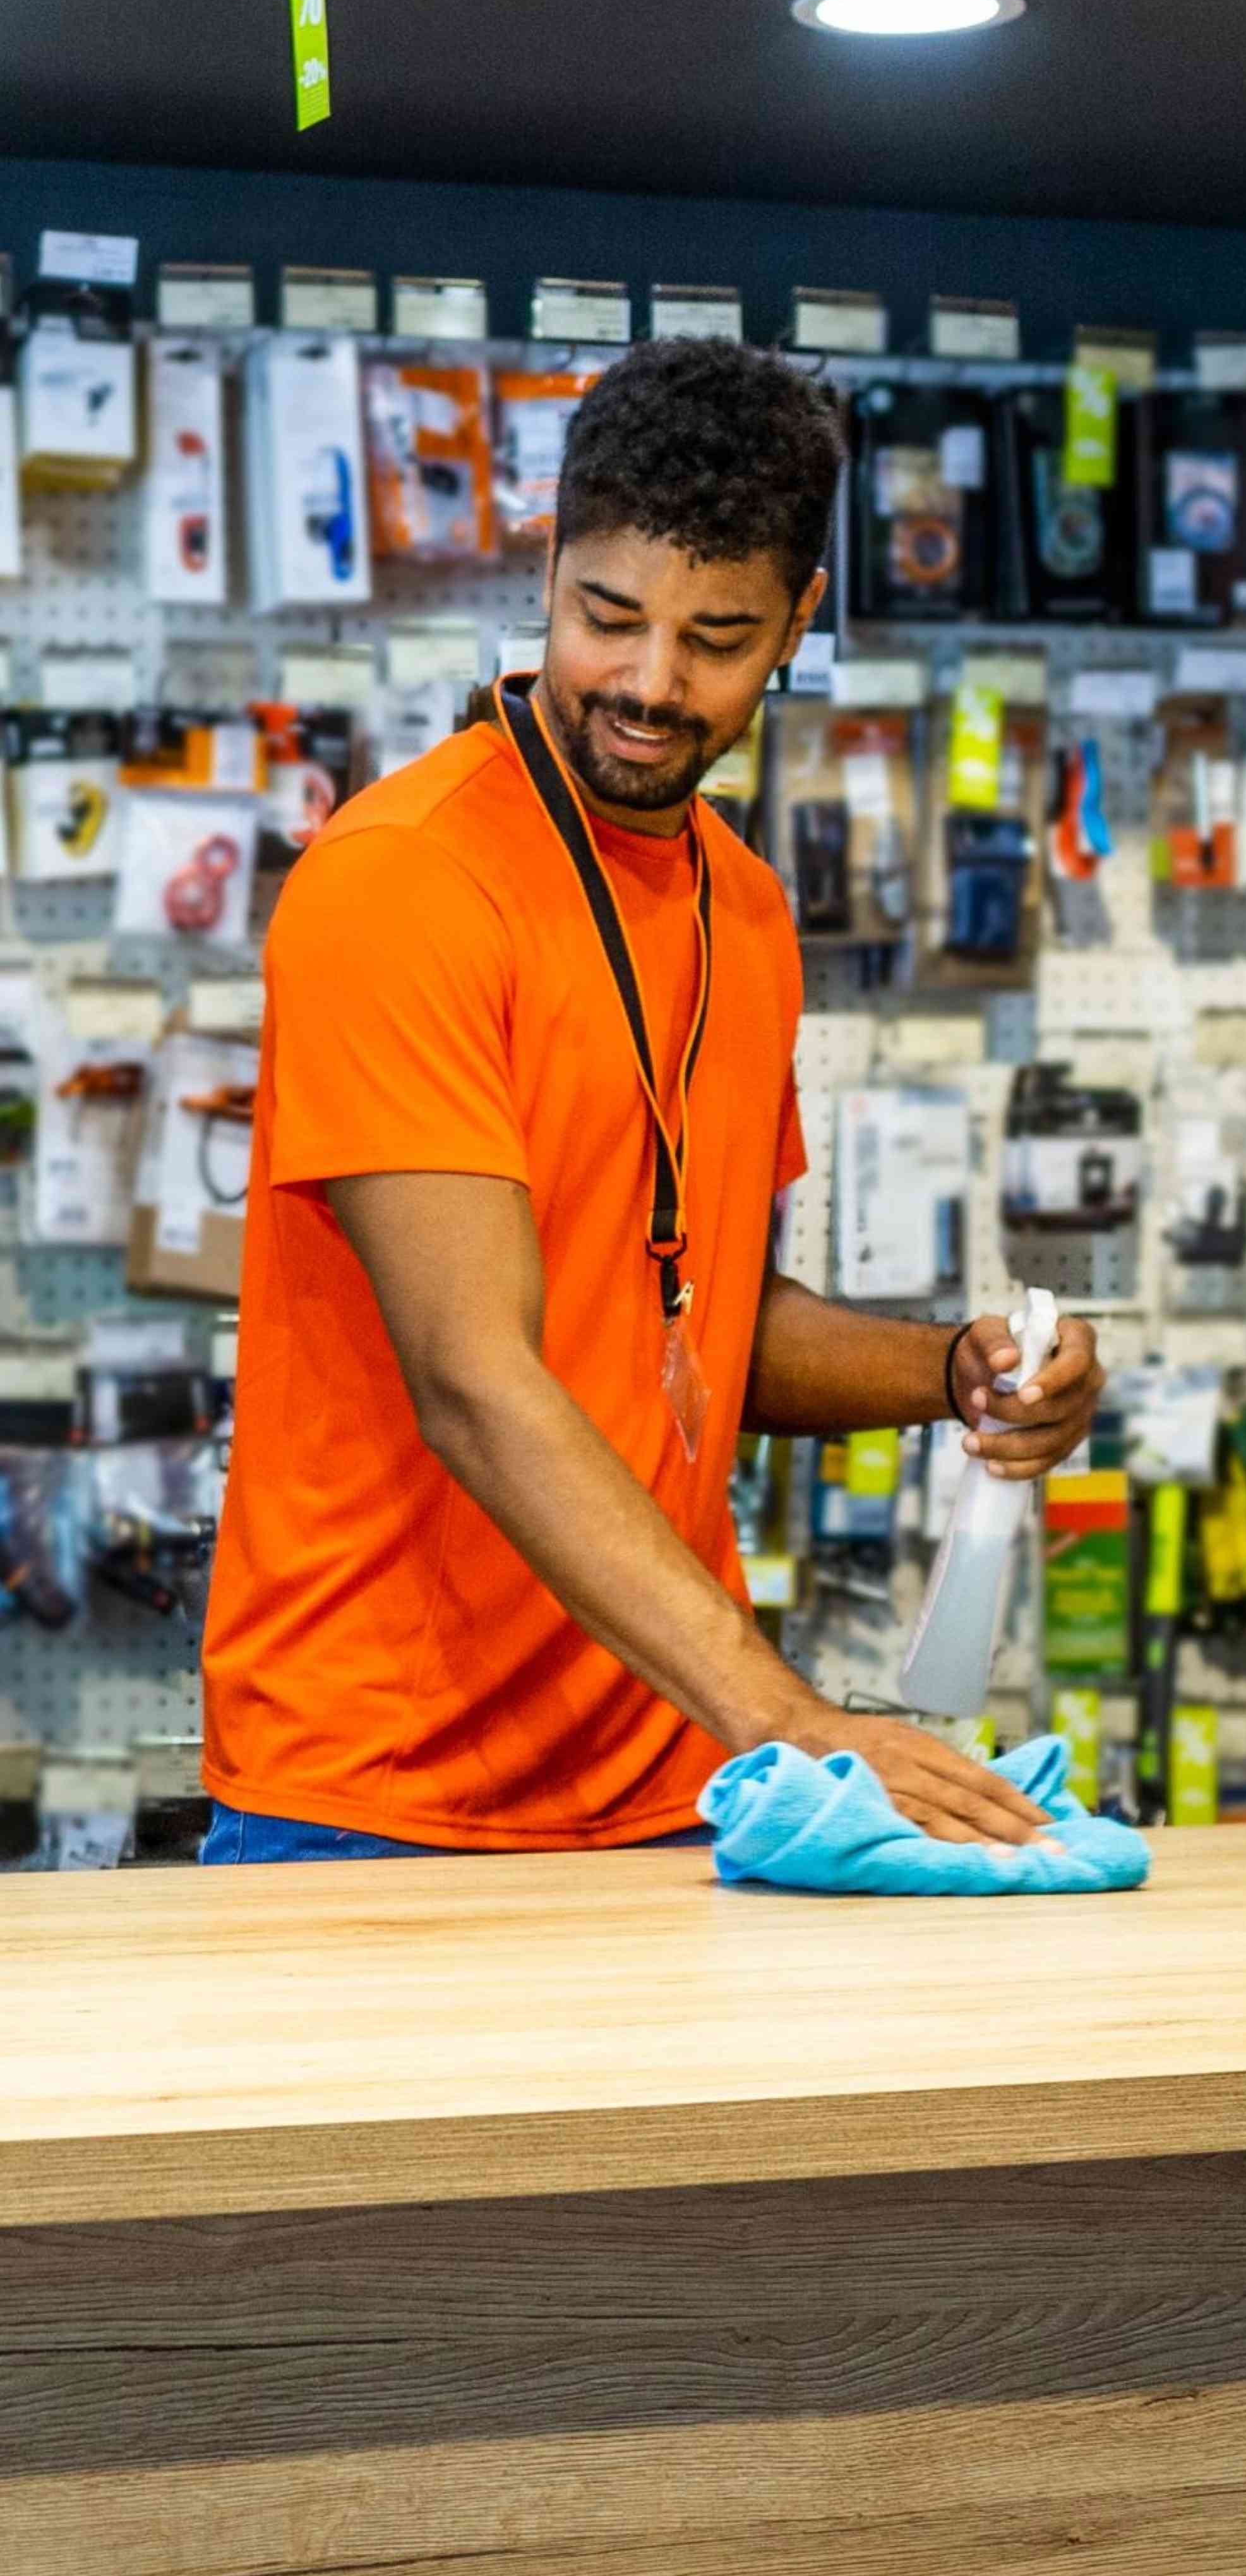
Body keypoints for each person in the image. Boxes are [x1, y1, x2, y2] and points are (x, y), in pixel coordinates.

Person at [200, 340, 1101, 1860]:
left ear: (799, 623)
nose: (650, 684)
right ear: (548, 561)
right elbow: (476, 1380)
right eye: (607, 617)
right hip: (380, 1796)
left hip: (676, 1780)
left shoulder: (743, 909)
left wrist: (952, 1371)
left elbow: (705, 1316)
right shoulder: (401, 885)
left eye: (718, 638)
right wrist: (796, 1719)